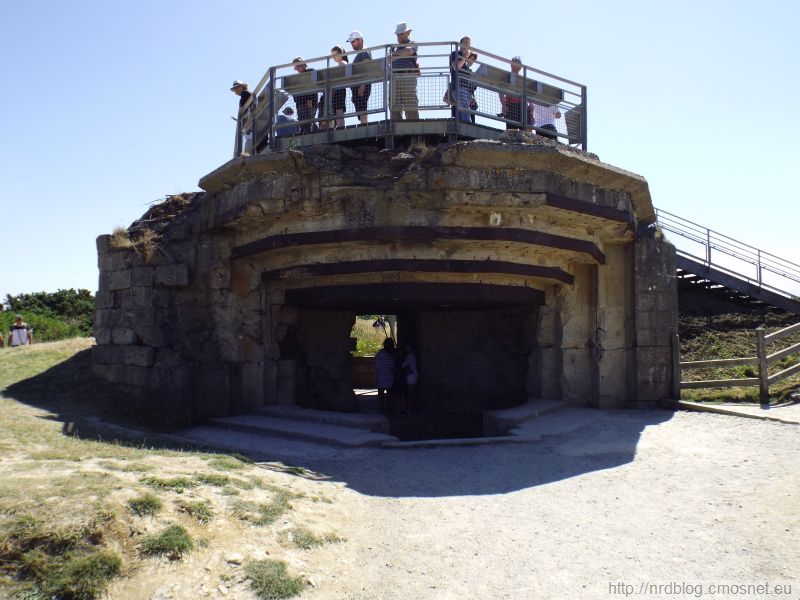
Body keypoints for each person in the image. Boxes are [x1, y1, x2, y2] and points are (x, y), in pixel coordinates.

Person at [389, 22, 419, 121]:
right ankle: (397, 130)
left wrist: (395, 54)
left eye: (400, 34)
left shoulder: (412, 43)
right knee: (393, 104)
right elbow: (389, 59)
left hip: (408, 75)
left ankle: (414, 129)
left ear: (407, 33)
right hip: (394, 76)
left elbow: (409, 51)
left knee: (410, 103)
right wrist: (401, 53)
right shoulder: (393, 47)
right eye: (397, 34)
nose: (398, 36)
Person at [499, 56, 530, 130]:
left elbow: (528, 94)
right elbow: (501, 91)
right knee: (512, 130)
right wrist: (504, 105)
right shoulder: (507, 77)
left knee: (523, 131)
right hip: (511, 106)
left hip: (522, 106)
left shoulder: (522, 79)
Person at [347, 30, 372, 125]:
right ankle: (364, 125)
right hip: (358, 87)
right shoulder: (362, 52)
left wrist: (363, 85)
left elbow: (368, 69)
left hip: (361, 87)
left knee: (362, 109)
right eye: (351, 42)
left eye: (353, 41)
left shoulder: (364, 52)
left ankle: (364, 127)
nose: (352, 44)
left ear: (360, 40)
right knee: (361, 109)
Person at [291, 57, 319, 134]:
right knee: (303, 123)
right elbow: (295, 93)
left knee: (309, 121)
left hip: (309, 103)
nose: (297, 68)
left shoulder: (311, 72)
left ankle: (315, 134)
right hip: (300, 104)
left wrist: (310, 100)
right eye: (295, 67)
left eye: (298, 66)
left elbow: (313, 86)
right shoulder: (297, 78)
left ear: (303, 64)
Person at [449, 36, 474, 123]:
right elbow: (456, 67)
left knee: (464, 110)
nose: (468, 45)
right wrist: (465, 56)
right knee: (464, 110)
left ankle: (463, 130)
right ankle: (469, 128)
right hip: (459, 86)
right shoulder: (455, 53)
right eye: (466, 42)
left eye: (469, 43)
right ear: (460, 44)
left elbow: (470, 64)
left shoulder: (467, 57)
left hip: (467, 88)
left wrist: (470, 56)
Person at [373, 337, 397, 413]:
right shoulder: (394, 354)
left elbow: (375, 363)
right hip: (390, 375)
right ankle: (390, 407)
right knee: (389, 393)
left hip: (381, 375)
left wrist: (379, 368)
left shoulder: (380, 353)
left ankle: (382, 407)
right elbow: (395, 364)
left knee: (381, 392)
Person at [328, 46, 349, 129]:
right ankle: (339, 126)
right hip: (337, 90)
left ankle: (340, 127)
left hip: (339, 90)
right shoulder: (342, 63)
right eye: (332, 55)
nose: (333, 57)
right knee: (337, 111)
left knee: (339, 111)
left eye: (335, 54)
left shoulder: (342, 63)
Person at [230, 80, 254, 155]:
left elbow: (241, 109)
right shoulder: (246, 94)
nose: (236, 90)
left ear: (242, 87)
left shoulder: (245, 93)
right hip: (250, 119)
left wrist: (242, 116)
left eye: (237, 87)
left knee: (249, 139)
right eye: (235, 89)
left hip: (251, 119)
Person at [400, 344, 419, 413]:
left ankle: (418, 406)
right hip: (411, 375)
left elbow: (403, 365)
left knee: (410, 392)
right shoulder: (411, 356)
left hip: (411, 376)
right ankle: (409, 408)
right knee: (410, 392)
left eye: (408, 347)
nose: (406, 348)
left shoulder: (410, 356)